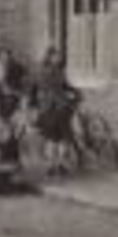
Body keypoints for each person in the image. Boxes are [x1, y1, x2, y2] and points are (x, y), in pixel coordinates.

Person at [31, 47, 81, 176]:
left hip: (50, 107)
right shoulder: (52, 72)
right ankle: (56, 165)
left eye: (59, 56)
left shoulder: (44, 71)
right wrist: (73, 94)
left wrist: (74, 91)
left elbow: (63, 86)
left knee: (54, 138)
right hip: (56, 108)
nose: (59, 58)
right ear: (50, 57)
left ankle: (55, 166)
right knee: (60, 138)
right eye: (56, 56)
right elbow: (59, 87)